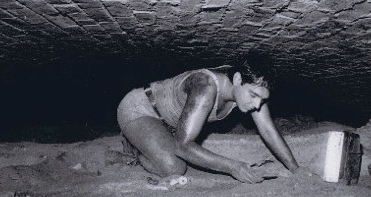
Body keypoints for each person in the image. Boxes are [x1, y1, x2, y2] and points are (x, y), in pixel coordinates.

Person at [116, 56, 299, 183]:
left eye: (262, 99)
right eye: (253, 95)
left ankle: (156, 140)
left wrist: (296, 170)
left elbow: (268, 129)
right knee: (174, 168)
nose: (257, 104)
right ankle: (136, 151)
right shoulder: (205, 87)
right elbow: (183, 146)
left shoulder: (252, 95)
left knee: (183, 153)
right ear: (237, 78)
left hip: (169, 122)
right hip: (141, 109)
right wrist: (233, 167)